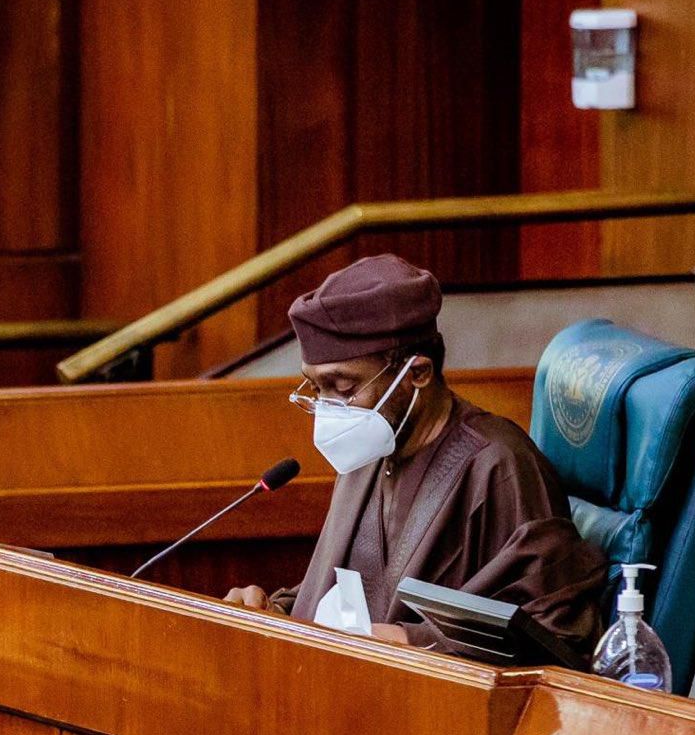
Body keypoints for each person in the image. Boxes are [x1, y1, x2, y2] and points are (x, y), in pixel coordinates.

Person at [225, 253, 606, 654]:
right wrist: (277, 611)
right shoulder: (370, 446)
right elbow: (359, 592)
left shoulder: (499, 465)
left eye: (341, 386)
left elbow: (559, 632)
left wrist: (412, 640)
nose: (328, 407)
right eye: (316, 387)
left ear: (417, 374)